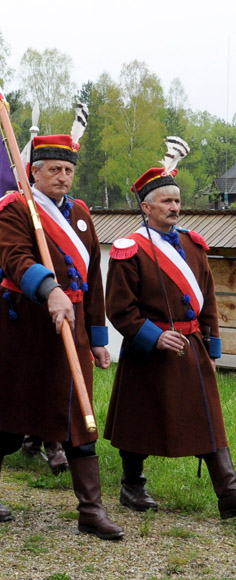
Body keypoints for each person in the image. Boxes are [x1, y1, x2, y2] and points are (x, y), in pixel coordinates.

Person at [0, 133, 123, 540]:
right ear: (34, 172)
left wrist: (99, 337)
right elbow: (15, 258)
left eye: (68, 170)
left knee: (78, 416)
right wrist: (50, 290)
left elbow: (92, 279)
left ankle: (91, 509)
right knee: (9, 418)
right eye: (54, 170)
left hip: (74, 326)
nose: (63, 177)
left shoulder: (82, 214)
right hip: (24, 329)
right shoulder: (15, 208)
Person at [104, 147, 236, 518]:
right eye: (165, 201)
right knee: (138, 419)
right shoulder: (128, 250)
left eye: (177, 200)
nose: (174, 207)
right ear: (147, 207)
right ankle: (132, 485)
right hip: (150, 348)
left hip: (191, 347)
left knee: (209, 417)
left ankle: (229, 492)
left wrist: (212, 346)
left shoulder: (194, 245)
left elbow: (208, 299)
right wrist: (152, 336)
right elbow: (118, 307)